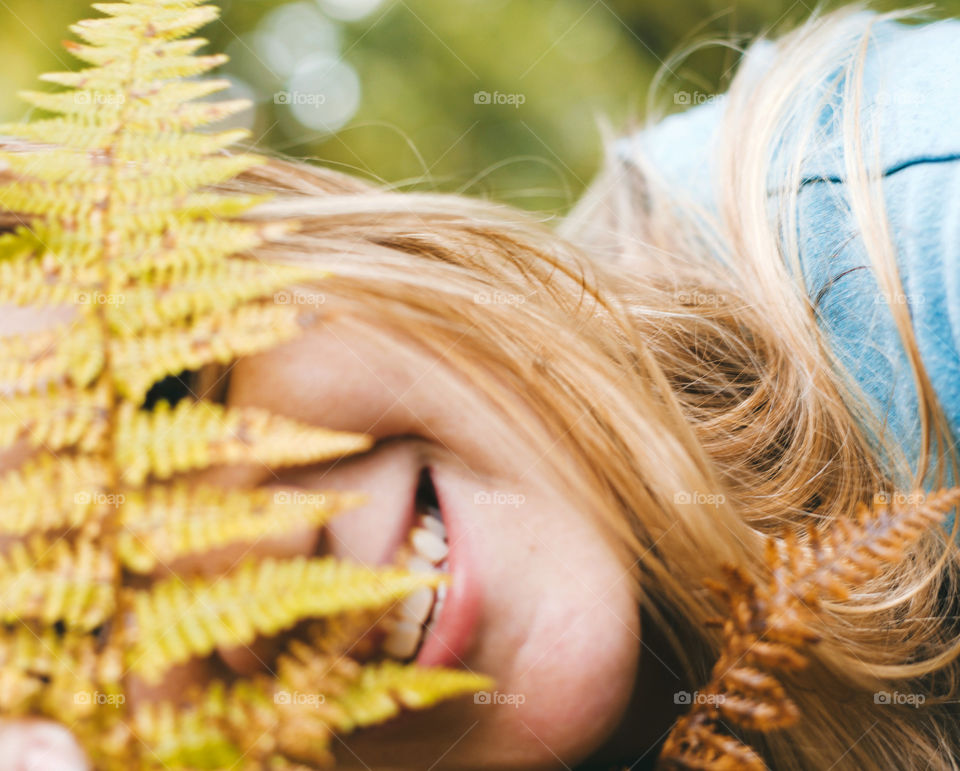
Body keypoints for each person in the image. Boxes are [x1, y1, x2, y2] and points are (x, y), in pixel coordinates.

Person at [1, 6, 959, 769]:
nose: (268, 552)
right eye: (78, 619)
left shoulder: (905, 238)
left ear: (307, 231)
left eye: (179, 389)